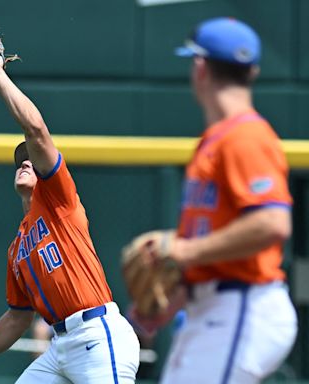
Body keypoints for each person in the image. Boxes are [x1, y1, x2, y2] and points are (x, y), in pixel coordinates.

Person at [0, 55, 140, 383]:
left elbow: (36, 129)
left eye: (31, 160)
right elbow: (17, 319)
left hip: (98, 336)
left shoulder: (59, 201)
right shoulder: (17, 249)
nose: (25, 163)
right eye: (20, 162)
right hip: (60, 347)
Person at [148, 17, 298, 384]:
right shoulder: (214, 141)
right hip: (211, 308)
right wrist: (167, 303)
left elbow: (272, 223)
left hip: (243, 306)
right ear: (253, 71)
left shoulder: (246, 136)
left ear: (200, 67)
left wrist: (184, 251)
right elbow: (207, 247)